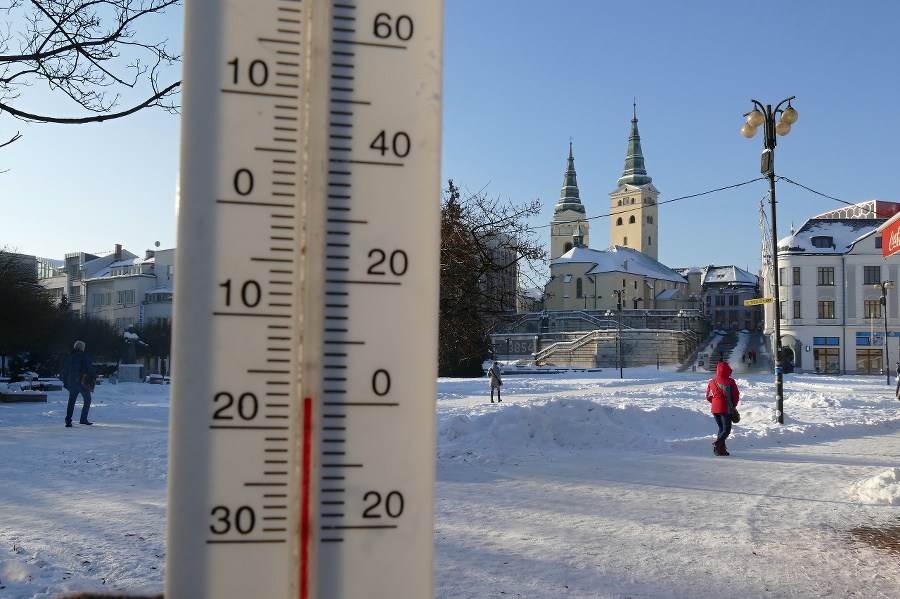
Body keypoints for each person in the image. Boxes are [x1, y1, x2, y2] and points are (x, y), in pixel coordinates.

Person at [706, 361, 740, 456]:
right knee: (726, 429)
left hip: (714, 409)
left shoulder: (712, 382)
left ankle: (720, 450)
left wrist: (715, 402)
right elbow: (735, 395)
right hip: (726, 408)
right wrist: (733, 405)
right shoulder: (730, 381)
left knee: (721, 428)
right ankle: (718, 443)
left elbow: (708, 396)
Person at [62, 340, 97, 427]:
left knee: (71, 401)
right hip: (81, 381)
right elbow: (89, 368)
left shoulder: (69, 357)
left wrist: (66, 382)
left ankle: (68, 420)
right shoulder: (84, 356)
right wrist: (94, 377)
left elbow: (65, 371)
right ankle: (83, 419)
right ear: (81, 348)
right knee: (87, 399)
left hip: (71, 382)